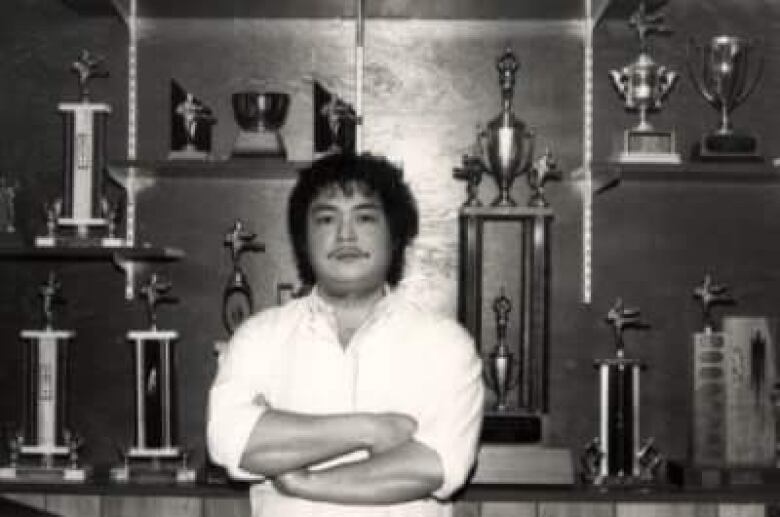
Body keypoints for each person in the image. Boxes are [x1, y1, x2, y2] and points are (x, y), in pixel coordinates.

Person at [207, 153, 484, 517]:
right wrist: (371, 429)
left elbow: (438, 465)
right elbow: (230, 442)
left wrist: (305, 482)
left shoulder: (445, 344)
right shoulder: (260, 337)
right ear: (303, 239)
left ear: (395, 233)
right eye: (326, 218)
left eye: (365, 217)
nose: (345, 234)